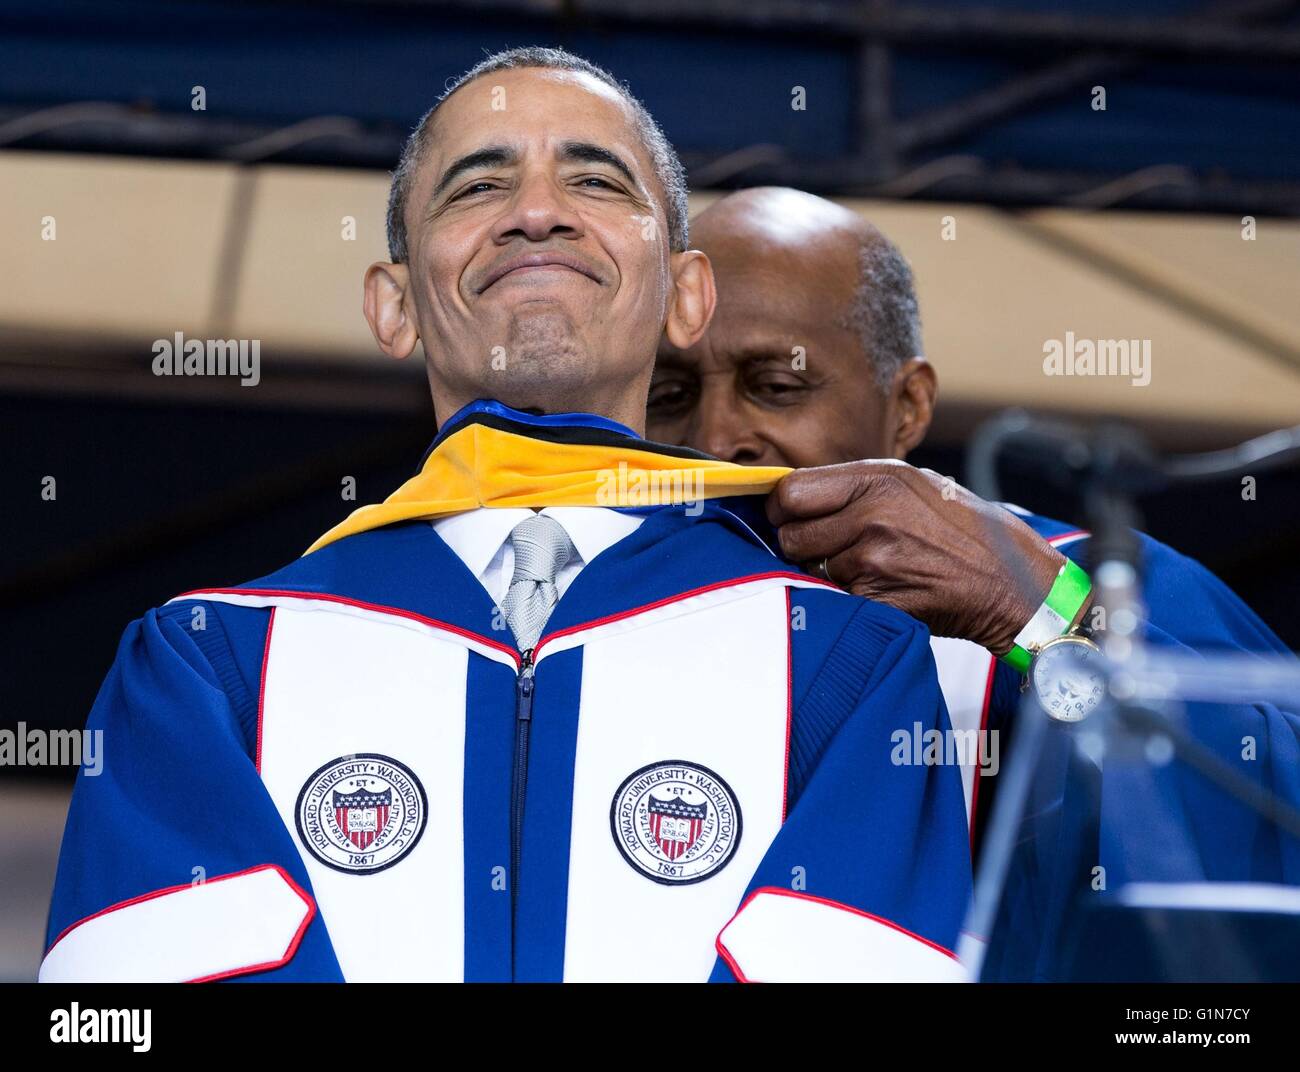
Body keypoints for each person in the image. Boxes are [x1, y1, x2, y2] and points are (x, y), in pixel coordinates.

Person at [40, 53, 971, 984]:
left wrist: (1063, 607)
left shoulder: (845, 667)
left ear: (688, 297)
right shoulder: (207, 667)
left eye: (595, 181)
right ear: (393, 305)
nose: (536, 211)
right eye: (479, 184)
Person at [648, 187, 1300, 977]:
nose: (715, 437)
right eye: (669, 397)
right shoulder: (606, 620)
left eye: (777, 387)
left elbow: (1271, 807)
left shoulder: (1077, 575)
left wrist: (1036, 614)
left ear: (909, 407)